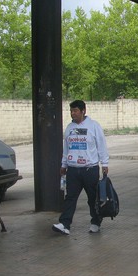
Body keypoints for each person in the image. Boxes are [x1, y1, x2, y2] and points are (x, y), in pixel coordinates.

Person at [52, 100, 109, 235]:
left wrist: (104, 164)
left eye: (75, 111)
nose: (73, 114)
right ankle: (65, 224)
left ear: (83, 111)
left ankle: (95, 222)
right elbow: (66, 148)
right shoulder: (69, 128)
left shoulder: (94, 126)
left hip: (90, 169)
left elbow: (101, 145)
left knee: (92, 198)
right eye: (71, 111)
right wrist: (63, 164)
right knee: (70, 198)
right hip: (73, 170)